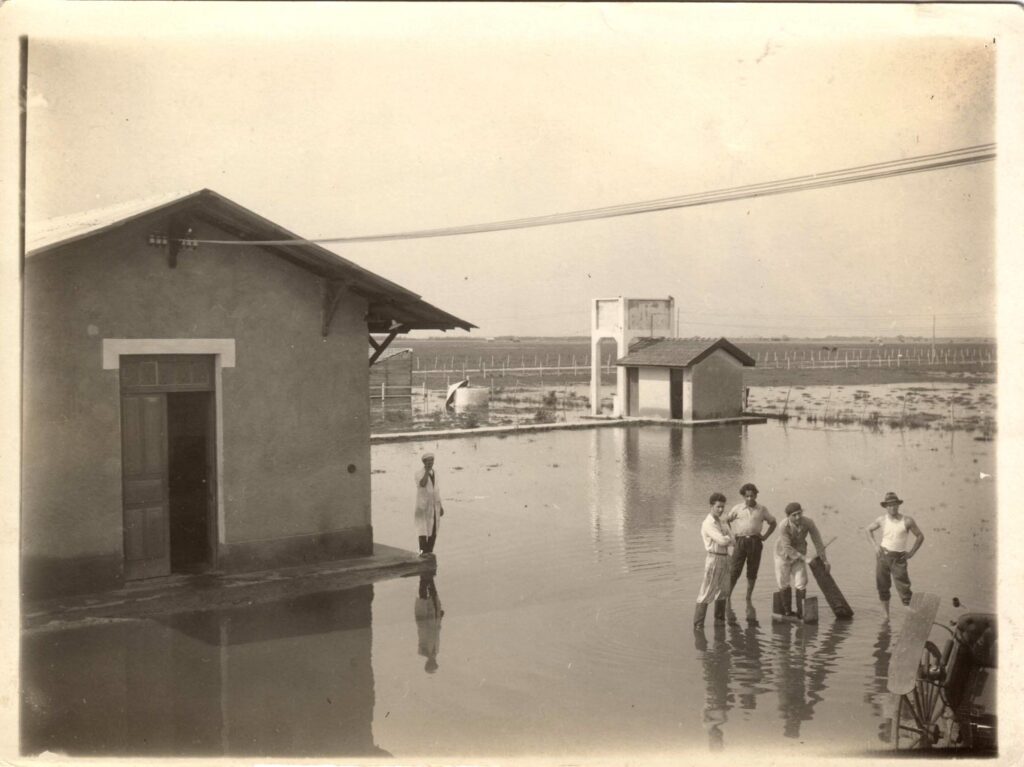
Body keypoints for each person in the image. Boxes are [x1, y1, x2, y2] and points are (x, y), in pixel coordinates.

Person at [865, 491, 925, 616]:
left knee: (904, 587)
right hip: (883, 556)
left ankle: (912, 614)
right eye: (890, 505)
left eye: (895, 504)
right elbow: (868, 530)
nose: (892, 507)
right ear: (886, 507)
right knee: (882, 586)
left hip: (899, 558)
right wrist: (875, 546)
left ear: (898, 505)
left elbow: (920, 536)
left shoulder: (907, 520)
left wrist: (911, 553)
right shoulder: (881, 520)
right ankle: (886, 616)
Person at [774, 502, 829, 618]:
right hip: (782, 554)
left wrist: (825, 560)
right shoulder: (783, 526)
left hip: (799, 553)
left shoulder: (808, 522)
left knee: (801, 582)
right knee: (783, 582)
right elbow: (787, 548)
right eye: (794, 515)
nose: (798, 517)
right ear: (788, 516)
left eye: (799, 513)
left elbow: (817, 541)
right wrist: (805, 559)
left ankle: (800, 613)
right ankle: (787, 612)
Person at [726, 483, 777, 603]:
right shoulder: (737, 508)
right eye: (747, 496)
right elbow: (726, 521)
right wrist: (731, 536)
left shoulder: (762, 509)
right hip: (740, 541)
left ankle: (748, 598)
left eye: (752, 496)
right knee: (734, 570)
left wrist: (765, 536)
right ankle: (728, 596)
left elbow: (773, 523)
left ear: (756, 496)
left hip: (755, 541)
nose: (749, 498)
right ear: (743, 496)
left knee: (752, 571)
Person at [694, 492, 734, 629]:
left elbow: (733, 540)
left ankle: (719, 623)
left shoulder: (722, 521)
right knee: (706, 591)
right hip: (714, 557)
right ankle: (698, 626)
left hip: (725, 558)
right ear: (711, 506)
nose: (721, 510)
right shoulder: (708, 523)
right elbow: (723, 540)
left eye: (723, 507)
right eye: (718, 507)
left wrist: (727, 539)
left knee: (723, 591)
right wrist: (727, 538)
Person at [415, 452, 444, 556]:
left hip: (434, 506)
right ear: (424, 462)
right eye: (427, 461)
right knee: (423, 530)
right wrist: (426, 472)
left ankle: (430, 552)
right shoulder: (419, 473)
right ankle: (422, 553)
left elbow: (436, 491)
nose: (430, 463)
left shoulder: (435, 473)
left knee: (434, 529)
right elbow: (422, 484)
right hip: (423, 507)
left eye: (431, 461)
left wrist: (440, 506)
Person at [415, 575, 444, 673]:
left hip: (427, 621)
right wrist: (440, 618)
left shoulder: (423, 651)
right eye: (434, 663)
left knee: (424, 598)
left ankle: (424, 576)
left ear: (428, 662)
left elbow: (422, 632)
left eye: (432, 663)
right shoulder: (436, 651)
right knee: (434, 595)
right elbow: (437, 633)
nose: (434, 661)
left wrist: (425, 620)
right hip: (434, 621)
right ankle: (429, 576)